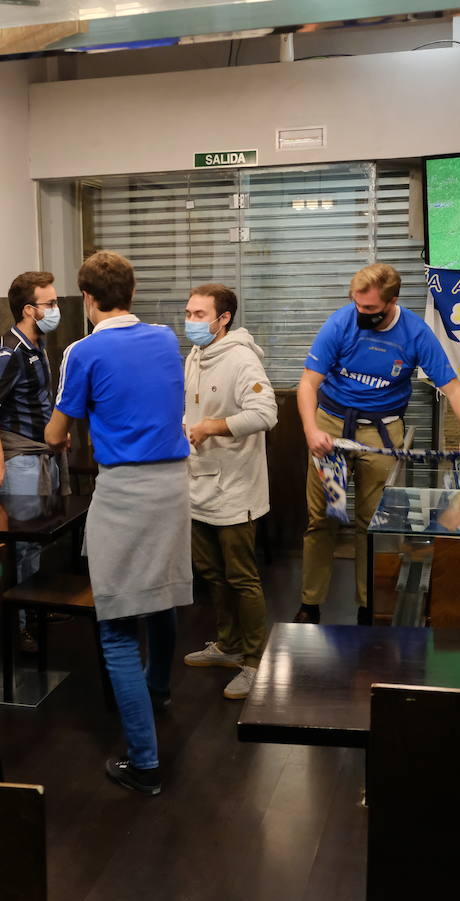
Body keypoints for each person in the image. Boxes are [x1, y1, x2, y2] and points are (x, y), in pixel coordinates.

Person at [44, 251, 190, 797]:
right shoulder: (165, 339)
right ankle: (158, 690)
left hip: (125, 489)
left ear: (87, 298)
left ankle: (145, 763)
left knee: (116, 627)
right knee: (161, 597)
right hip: (175, 484)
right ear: (130, 291)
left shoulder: (83, 351)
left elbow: (59, 433)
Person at [295, 263, 460, 625]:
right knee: (322, 519)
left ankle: (370, 606)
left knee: (375, 524)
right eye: (356, 304)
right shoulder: (340, 323)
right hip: (331, 427)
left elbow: (453, 386)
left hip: (381, 432)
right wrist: (310, 429)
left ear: (391, 301)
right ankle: (311, 603)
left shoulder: (414, 333)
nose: (360, 312)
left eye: (368, 308)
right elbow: (308, 383)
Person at [178, 284, 277, 700]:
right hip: (197, 485)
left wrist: (212, 427)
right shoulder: (194, 356)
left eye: (200, 315)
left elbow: (265, 413)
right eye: (189, 312)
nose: (191, 321)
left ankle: (255, 662)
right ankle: (227, 645)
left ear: (224, 320)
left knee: (241, 578)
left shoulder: (241, 358)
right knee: (211, 574)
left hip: (235, 490)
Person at [0, 270, 66, 652]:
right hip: (20, 459)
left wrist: (57, 431)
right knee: (24, 544)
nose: (56, 308)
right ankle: (24, 626)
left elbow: (38, 397)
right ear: (29, 309)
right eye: (50, 303)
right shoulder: (8, 351)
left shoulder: (36, 344)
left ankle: (35, 611)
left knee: (40, 537)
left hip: (43, 451)